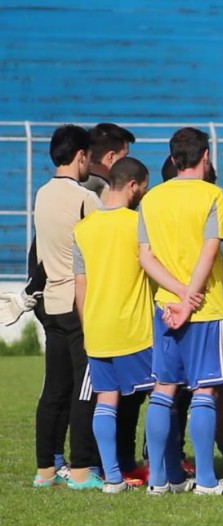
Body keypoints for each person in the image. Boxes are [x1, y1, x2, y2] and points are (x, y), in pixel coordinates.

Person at [139, 127, 223, 495]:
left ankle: (160, 480)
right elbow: (210, 249)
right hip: (203, 307)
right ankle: (208, 481)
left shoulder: (151, 198)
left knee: (163, 390)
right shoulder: (213, 194)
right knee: (204, 391)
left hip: (165, 306)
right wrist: (190, 297)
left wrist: (176, 294)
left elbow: (145, 256)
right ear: (205, 157)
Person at [72, 157, 154, 492]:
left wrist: (87, 325)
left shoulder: (83, 228)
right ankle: (162, 473)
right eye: (144, 187)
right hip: (135, 329)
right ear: (133, 184)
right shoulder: (137, 224)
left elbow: (80, 285)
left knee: (106, 398)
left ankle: (112, 477)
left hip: (97, 328)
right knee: (163, 396)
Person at [32, 124, 102, 489]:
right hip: (79, 304)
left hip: (51, 303)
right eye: (89, 156)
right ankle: (80, 469)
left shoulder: (41, 194)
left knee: (55, 388)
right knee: (84, 387)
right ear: (80, 156)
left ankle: (45, 469)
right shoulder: (85, 199)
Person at [82, 123, 136, 198]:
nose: (127, 162)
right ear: (111, 157)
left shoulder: (71, 183)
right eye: (125, 156)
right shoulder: (108, 194)